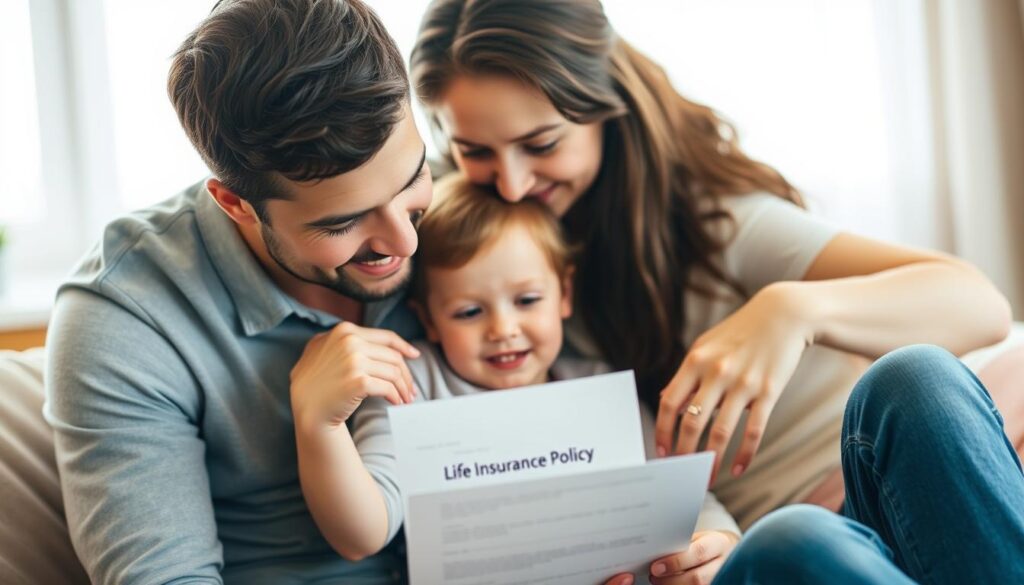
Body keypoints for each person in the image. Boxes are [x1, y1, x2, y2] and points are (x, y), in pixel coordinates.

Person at [408, 0, 1024, 582]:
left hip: (890, 487)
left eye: (541, 145)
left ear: (606, 109)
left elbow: (980, 306)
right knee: (794, 540)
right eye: (475, 152)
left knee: (913, 376)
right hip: (784, 545)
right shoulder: (463, 258)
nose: (511, 183)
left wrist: (793, 310)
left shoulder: (718, 225)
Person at [44, 1, 431, 583]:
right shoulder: (124, 316)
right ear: (236, 204)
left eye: (413, 180)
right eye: (340, 224)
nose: (405, 240)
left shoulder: (474, 217)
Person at [298, 174, 743, 579]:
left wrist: (716, 543)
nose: (503, 330)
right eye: (469, 312)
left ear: (564, 293)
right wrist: (322, 425)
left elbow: (685, 498)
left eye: (527, 300)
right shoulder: (408, 384)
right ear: (429, 320)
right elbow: (361, 535)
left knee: (791, 537)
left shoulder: (598, 386)